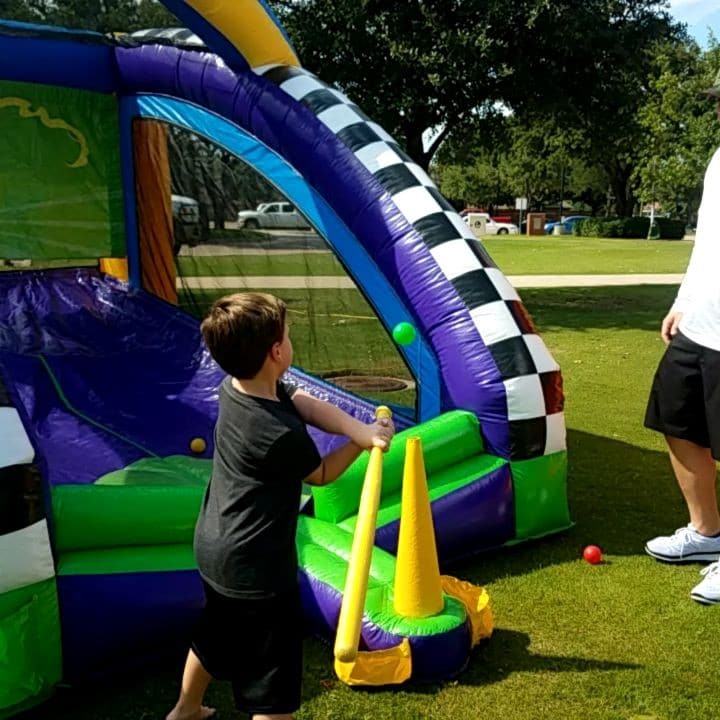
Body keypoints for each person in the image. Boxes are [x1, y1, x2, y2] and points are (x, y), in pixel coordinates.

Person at [166, 292, 395, 720]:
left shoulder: (236, 387)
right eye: (287, 336)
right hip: (257, 569)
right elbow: (322, 474)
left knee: (217, 633)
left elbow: (301, 400)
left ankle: (186, 709)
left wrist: (360, 429)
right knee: (272, 681)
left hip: (216, 548)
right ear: (276, 351)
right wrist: (362, 445)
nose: (291, 342)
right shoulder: (276, 434)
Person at [644, 70, 720, 605]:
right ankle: (707, 533)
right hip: (702, 324)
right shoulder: (719, 159)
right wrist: (683, 300)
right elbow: (707, 243)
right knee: (676, 417)